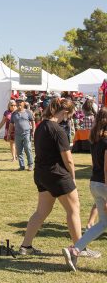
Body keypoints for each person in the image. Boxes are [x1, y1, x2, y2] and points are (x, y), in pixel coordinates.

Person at [19, 98, 99, 258]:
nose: (70, 118)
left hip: (41, 174)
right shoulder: (57, 130)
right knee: (73, 210)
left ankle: (25, 246)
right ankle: (80, 248)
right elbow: (68, 159)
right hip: (56, 175)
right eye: (70, 115)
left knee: (41, 212)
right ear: (65, 112)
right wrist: (73, 177)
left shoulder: (41, 126)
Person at [62, 107, 107, 271]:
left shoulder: (95, 140)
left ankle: (75, 249)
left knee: (102, 224)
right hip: (103, 184)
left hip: (94, 184)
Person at [8, 99, 35, 171]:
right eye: (17, 102)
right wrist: (9, 133)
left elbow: (32, 121)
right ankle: (21, 166)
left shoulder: (28, 112)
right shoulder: (14, 113)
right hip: (17, 134)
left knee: (28, 149)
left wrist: (33, 131)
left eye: (20, 102)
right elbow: (11, 124)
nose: (19, 103)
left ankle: (30, 165)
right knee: (19, 151)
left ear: (23, 103)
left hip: (26, 133)